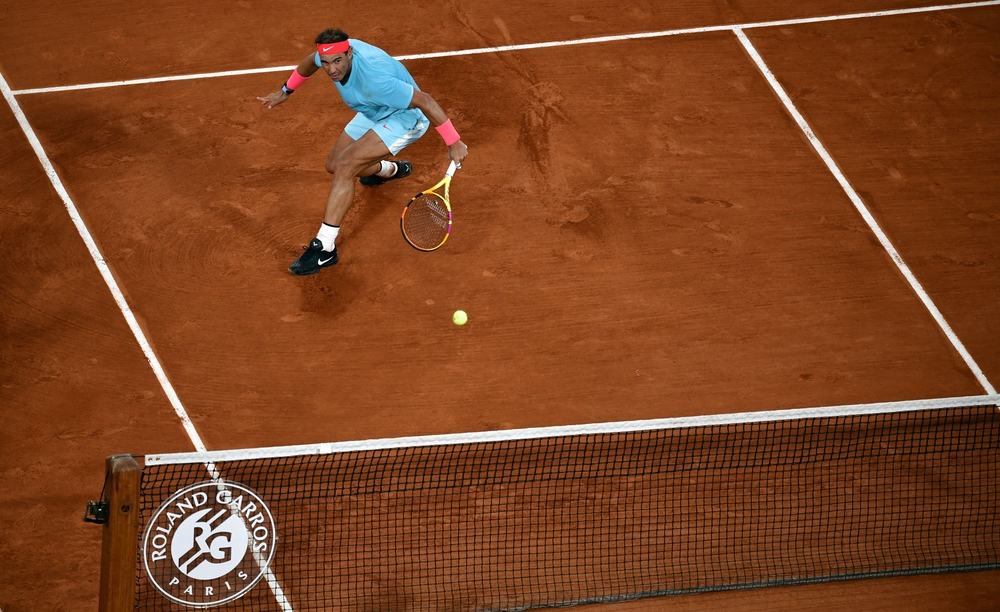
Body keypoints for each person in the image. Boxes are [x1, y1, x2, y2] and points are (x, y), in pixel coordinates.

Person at [257, 28, 469, 276]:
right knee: (334, 164)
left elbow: (426, 100)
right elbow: (308, 63)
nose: (332, 69)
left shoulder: (375, 79)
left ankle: (325, 248)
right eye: (326, 63)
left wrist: (454, 142)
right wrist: (286, 90)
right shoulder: (329, 53)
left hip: (404, 117)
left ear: (349, 53)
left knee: (346, 166)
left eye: (337, 61)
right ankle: (387, 170)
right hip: (374, 109)